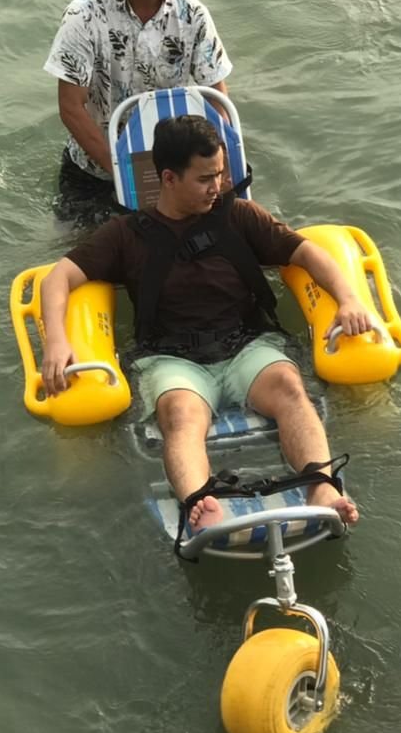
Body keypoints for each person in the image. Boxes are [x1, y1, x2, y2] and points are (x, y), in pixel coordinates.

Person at [39, 115, 372, 530]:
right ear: (169, 178)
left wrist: (349, 300)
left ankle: (320, 486)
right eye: (205, 178)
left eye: (219, 174)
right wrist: (58, 341)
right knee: (180, 416)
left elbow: (307, 253)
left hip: (246, 345)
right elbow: (59, 277)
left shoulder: (240, 216)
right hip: (172, 358)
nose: (218, 186)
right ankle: (201, 502)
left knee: (290, 389)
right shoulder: (125, 235)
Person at [44, 0, 233, 227]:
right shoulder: (84, 15)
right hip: (94, 170)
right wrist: (122, 173)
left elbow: (217, 99)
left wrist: (221, 166)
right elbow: (71, 107)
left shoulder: (193, 15)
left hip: (173, 172)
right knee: (84, 247)